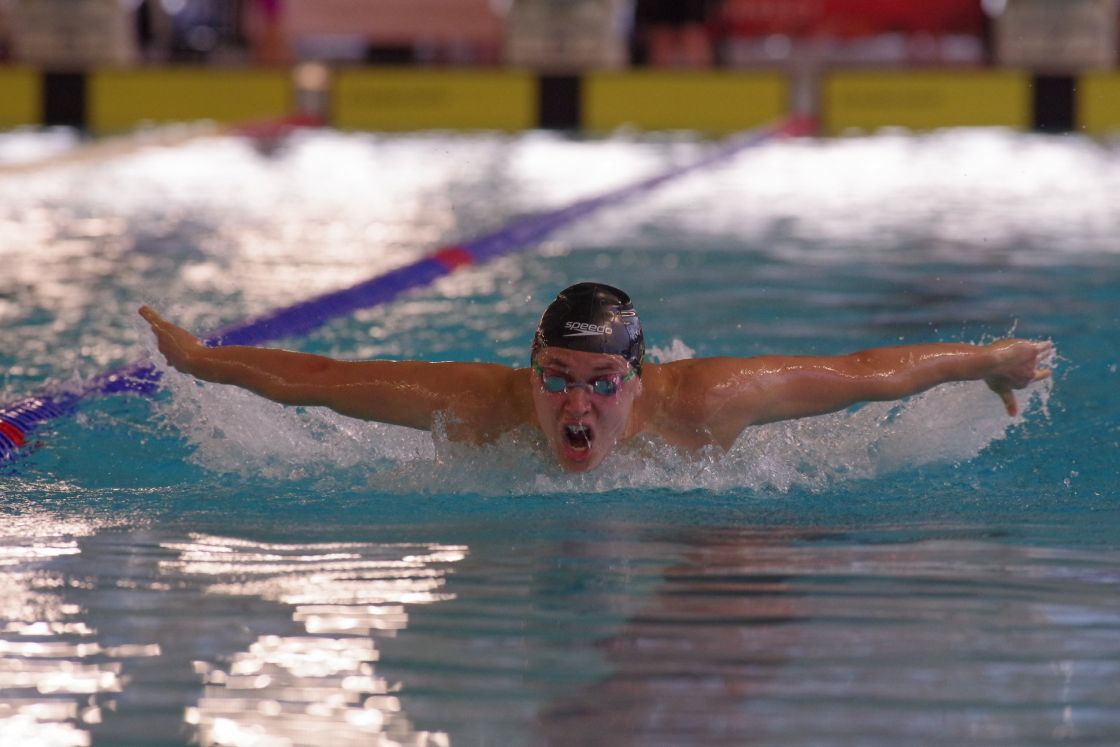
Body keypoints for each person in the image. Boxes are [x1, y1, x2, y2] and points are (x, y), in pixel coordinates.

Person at [139, 282, 1052, 473]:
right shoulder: (482, 405)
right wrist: (205, 362)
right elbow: (322, 378)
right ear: (528, 368)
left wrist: (984, 361)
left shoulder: (707, 402)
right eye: (555, 377)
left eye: (600, 383)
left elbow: (867, 374)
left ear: (640, 378)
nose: (574, 403)